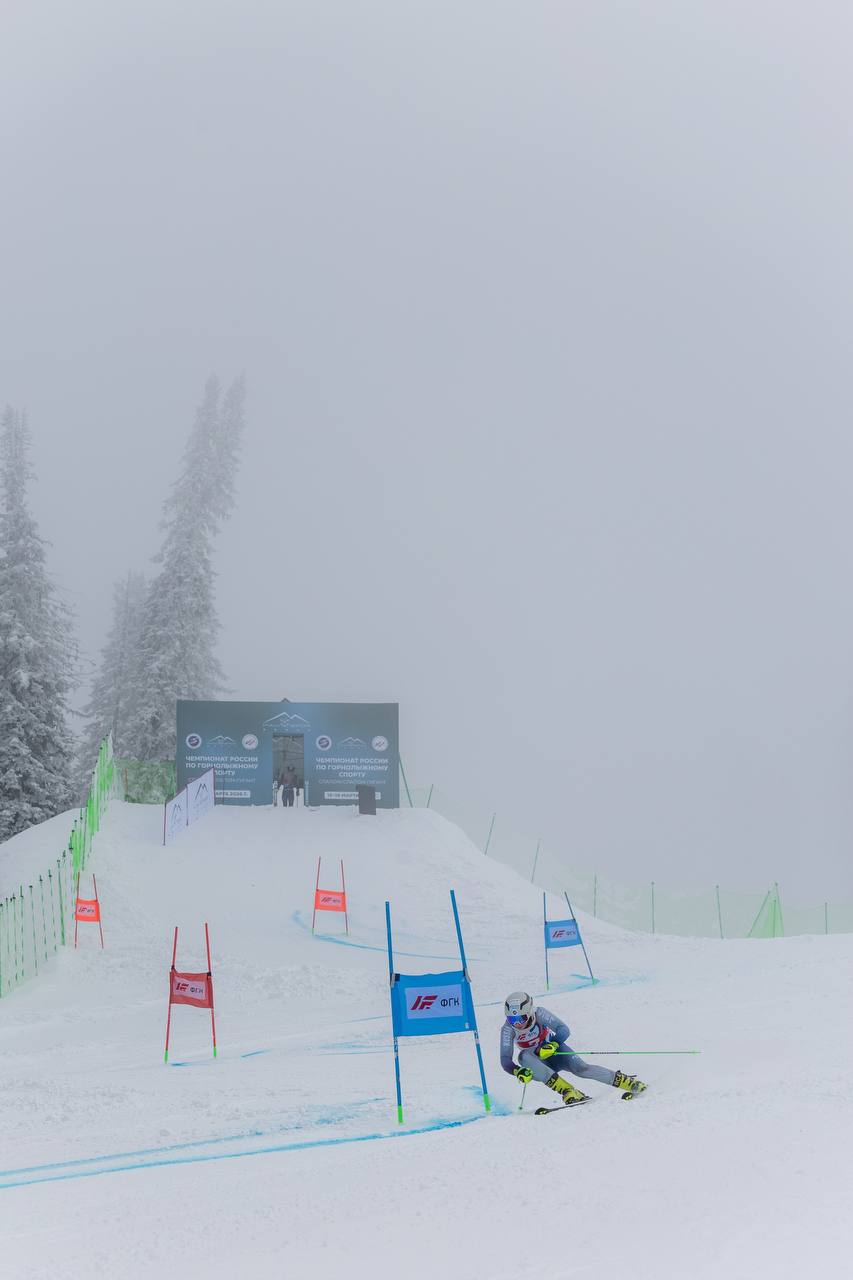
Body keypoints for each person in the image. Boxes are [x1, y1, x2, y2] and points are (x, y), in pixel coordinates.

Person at [501, 991, 647, 1106]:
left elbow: (563, 1029)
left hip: (555, 1052)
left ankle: (627, 1082)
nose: (517, 1023)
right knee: (523, 1057)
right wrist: (518, 1071)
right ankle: (569, 1091)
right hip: (538, 1063)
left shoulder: (539, 1013)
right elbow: (505, 1060)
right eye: (512, 1019)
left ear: (529, 1011)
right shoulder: (508, 1029)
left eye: (521, 1018)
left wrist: (553, 1044)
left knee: (582, 1069)